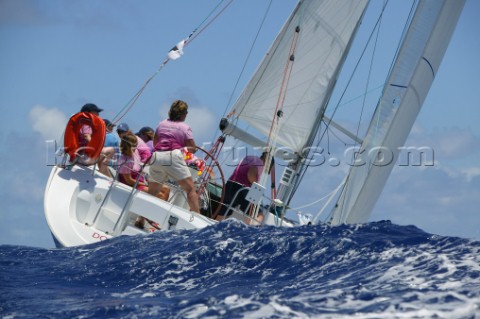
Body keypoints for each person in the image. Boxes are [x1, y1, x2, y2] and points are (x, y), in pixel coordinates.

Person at [148, 100, 200, 213]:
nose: (186, 115)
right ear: (182, 114)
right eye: (186, 112)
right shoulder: (184, 127)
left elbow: (155, 143)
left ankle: (140, 219)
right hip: (173, 156)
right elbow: (193, 149)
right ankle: (198, 219)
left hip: (157, 156)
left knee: (152, 192)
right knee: (190, 189)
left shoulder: (161, 123)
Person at [216, 152, 267, 221]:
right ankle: (250, 231)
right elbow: (251, 174)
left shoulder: (250, 157)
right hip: (240, 189)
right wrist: (256, 186)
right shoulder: (260, 163)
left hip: (229, 185)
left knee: (224, 212)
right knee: (257, 214)